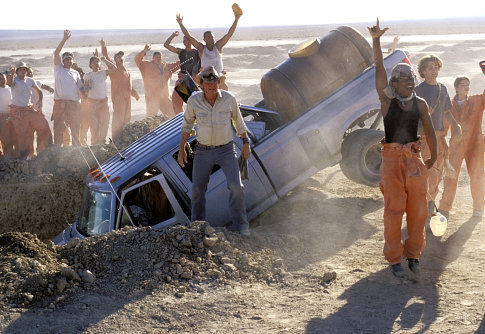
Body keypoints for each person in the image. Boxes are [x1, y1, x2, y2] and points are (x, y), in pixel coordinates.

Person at [368, 19, 437, 277]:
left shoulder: (419, 103)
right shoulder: (387, 102)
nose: (410, 81)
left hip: (414, 159)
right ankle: (395, 258)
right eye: (404, 78)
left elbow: (429, 130)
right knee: (394, 210)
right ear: (394, 82)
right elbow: (379, 72)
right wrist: (376, 42)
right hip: (392, 160)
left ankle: (414, 255)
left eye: (411, 78)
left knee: (419, 210)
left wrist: (436, 156)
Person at [177, 66, 251, 236]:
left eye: (214, 81)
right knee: (197, 190)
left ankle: (241, 225)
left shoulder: (229, 99)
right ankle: (198, 228)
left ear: (218, 82)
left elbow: (238, 122)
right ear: (201, 83)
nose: (211, 84)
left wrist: (246, 142)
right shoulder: (193, 101)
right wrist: (181, 148)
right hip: (202, 151)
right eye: (207, 81)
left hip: (226, 149)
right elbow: (187, 125)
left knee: (236, 186)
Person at [415, 55, 462, 217]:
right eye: (430, 68)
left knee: (437, 174)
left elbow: (447, 112)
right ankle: (422, 207)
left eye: (436, 67)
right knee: (426, 174)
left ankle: (429, 206)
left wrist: (456, 126)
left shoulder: (442, 89)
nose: (434, 71)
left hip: (440, 137)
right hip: (424, 138)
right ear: (423, 71)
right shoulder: (418, 91)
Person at [439, 76, 485, 219]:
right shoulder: (449, 106)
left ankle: (478, 208)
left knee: (477, 176)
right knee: (450, 176)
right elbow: (444, 127)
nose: (466, 87)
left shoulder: (477, 100)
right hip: (456, 145)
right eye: (463, 85)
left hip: (475, 145)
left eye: (468, 85)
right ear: (457, 88)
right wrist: (442, 143)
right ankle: (445, 209)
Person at [176, 3, 242, 91]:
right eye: (208, 37)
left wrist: (236, 19)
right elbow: (189, 37)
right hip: (206, 79)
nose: (211, 39)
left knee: (225, 92)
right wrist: (181, 24)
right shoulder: (201, 49)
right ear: (204, 39)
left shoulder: (218, 46)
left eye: (212, 37)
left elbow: (229, 34)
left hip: (219, 79)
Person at [6, 63, 52, 159]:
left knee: (43, 123)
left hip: (28, 109)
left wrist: (40, 100)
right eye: (21, 70)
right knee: (23, 133)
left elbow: (39, 91)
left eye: (24, 69)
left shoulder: (30, 80)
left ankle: (48, 147)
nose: (23, 71)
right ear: (17, 71)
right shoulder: (15, 80)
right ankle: (23, 156)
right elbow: (9, 83)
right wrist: (11, 74)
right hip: (17, 111)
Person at [100, 38, 139, 139]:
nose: (120, 58)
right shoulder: (114, 70)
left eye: (121, 56)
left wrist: (134, 94)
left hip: (127, 99)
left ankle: (124, 137)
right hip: (118, 98)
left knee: (127, 118)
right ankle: (115, 138)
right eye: (118, 56)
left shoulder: (127, 71)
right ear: (115, 59)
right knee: (118, 118)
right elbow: (106, 57)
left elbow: (128, 85)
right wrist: (103, 45)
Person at [52, 30, 85, 146]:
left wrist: (83, 74)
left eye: (70, 59)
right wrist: (64, 39)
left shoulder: (75, 73)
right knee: (59, 128)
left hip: (74, 105)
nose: (68, 61)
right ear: (62, 61)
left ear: (72, 60)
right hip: (61, 105)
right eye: (66, 59)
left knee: (75, 128)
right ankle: (56, 151)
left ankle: (76, 150)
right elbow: (56, 53)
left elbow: (82, 88)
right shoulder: (58, 69)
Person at [135, 44, 179, 118]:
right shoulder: (146, 65)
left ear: (162, 58)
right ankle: (150, 129)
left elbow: (178, 64)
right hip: (152, 97)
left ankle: (171, 129)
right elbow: (137, 59)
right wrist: (145, 51)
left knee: (172, 115)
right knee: (150, 118)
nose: (158, 58)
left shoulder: (166, 66)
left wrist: (183, 54)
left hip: (165, 97)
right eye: (156, 57)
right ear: (153, 58)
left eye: (160, 57)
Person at [163, 31, 201, 115]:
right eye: (184, 40)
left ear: (191, 41)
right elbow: (166, 45)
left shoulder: (197, 52)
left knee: (194, 104)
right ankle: (180, 120)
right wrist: (173, 35)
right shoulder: (181, 52)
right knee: (176, 102)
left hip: (194, 81)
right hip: (183, 81)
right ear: (183, 42)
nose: (186, 41)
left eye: (188, 39)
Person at [83, 56, 110, 145]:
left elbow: (114, 68)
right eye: (93, 62)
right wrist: (87, 86)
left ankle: (102, 142)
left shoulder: (102, 73)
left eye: (97, 62)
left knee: (104, 123)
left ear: (99, 64)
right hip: (92, 103)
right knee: (94, 125)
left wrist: (104, 60)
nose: (95, 63)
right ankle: (94, 144)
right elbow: (85, 90)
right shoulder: (87, 75)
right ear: (90, 65)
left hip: (103, 103)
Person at [0, 72, 14, 156]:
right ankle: (5, 157)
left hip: (10, 115)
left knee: (10, 136)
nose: (2, 80)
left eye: (3, 78)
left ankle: (10, 155)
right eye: (0, 79)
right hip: (1, 115)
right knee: (4, 137)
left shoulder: (10, 88)